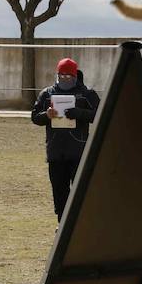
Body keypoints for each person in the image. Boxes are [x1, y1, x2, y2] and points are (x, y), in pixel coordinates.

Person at [31, 57, 101, 221]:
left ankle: (80, 222)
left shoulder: (87, 94)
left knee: (79, 190)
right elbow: (35, 117)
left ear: (75, 75)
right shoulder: (47, 93)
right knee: (59, 190)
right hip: (55, 151)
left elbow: (101, 115)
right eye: (61, 75)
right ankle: (62, 222)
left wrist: (80, 113)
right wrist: (46, 115)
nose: (64, 79)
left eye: (68, 76)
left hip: (78, 152)